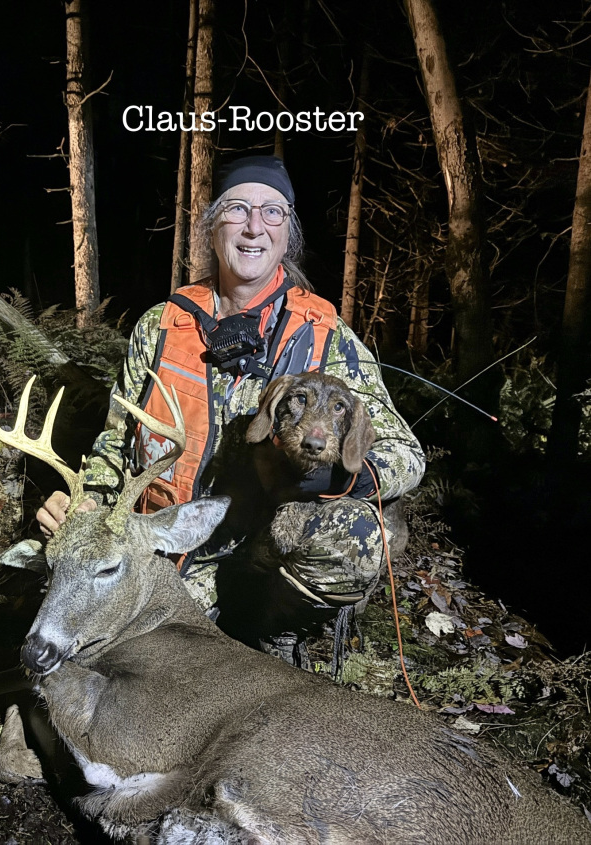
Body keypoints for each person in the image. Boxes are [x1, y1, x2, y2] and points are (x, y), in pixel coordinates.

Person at [37, 155, 425, 658]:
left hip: (264, 550)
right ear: (211, 226)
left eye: (272, 212)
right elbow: (116, 441)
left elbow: (406, 455)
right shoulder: (161, 326)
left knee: (354, 533)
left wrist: (338, 478)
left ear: (288, 234)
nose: (253, 227)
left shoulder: (328, 339)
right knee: (115, 660)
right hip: (169, 544)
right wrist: (86, 503)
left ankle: (276, 632)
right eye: (237, 209)